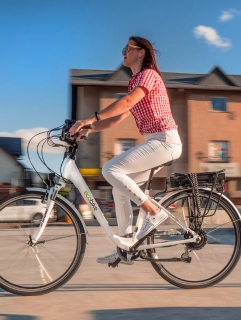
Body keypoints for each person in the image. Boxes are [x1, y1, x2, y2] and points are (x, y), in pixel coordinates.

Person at [69, 36, 182, 264]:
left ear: (141, 52)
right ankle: (127, 245)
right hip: (156, 142)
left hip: (165, 141)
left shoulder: (148, 76)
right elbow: (116, 119)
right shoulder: (135, 82)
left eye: (126, 49)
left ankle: (154, 212)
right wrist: (89, 129)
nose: (123, 53)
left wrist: (88, 118)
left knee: (110, 169)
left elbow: (127, 103)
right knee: (118, 188)